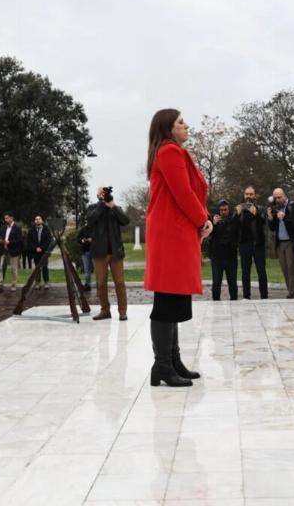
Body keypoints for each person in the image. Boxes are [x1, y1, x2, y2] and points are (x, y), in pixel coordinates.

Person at [144, 108, 210, 387]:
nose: (186, 126)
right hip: (172, 231)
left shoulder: (169, 151)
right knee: (167, 300)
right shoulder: (169, 152)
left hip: (173, 230)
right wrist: (203, 219)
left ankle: (172, 361)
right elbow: (183, 192)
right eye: (181, 122)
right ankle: (162, 365)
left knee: (171, 298)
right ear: (168, 128)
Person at [87, 187, 130, 320]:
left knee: (120, 283)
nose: (104, 195)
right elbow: (91, 219)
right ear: (97, 194)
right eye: (101, 192)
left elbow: (125, 221)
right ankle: (105, 310)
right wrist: (101, 204)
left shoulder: (115, 208)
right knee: (101, 283)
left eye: (105, 193)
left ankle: (122, 311)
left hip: (116, 252)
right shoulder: (92, 207)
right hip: (100, 252)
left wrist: (113, 206)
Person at [236, 186, 268, 299]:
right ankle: (246, 296)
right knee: (245, 272)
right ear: (244, 195)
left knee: (261, 271)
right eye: (247, 194)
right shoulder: (240, 208)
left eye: (251, 194)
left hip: (258, 244)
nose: (248, 196)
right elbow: (234, 226)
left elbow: (264, 221)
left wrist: (256, 214)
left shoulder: (261, 209)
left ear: (255, 196)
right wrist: (237, 214)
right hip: (245, 244)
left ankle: (264, 297)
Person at [268, 188, 294, 298]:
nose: (277, 200)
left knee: (292, 268)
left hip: (290, 241)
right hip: (280, 243)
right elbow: (272, 228)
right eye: (275, 198)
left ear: (284, 196)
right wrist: (271, 218)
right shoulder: (275, 208)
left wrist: (284, 218)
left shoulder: (291, 206)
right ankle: (290, 290)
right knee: (284, 268)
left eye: (279, 197)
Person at [209, 200, 238, 301]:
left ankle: (234, 301)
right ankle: (215, 301)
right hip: (217, 257)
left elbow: (235, 232)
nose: (223, 212)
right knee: (216, 281)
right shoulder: (214, 221)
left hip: (231, 256)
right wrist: (214, 224)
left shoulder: (233, 219)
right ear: (219, 210)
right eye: (221, 210)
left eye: (225, 210)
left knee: (232, 282)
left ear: (228, 210)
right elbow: (210, 236)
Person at [0, 212, 23, 291]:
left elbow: (19, 240)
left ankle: (13, 285)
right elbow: (0, 237)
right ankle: (0, 284)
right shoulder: (3, 227)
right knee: (1, 267)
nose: (5, 220)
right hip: (4, 250)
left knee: (13, 269)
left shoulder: (17, 228)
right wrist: (0, 240)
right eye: (5, 218)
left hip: (14, 251)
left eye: (7, 218)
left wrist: (10, 242)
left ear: (11, 218)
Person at [28, 215, 53, 290]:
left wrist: (42, 248)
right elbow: (29, 241)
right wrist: (36, 248)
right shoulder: (31, 230)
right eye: (36, 219)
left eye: (39, 219)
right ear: (34, 221)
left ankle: (46, 282)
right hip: (35, 252)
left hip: (44, 252)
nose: (37, 220)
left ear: (42, 220)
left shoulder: (47, 230)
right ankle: (37, 282)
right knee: (37, 268)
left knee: (45, 267)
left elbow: (48, 241)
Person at [77, 222, 94, 291]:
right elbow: (78, 239)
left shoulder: (95, 228)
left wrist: (92, 240)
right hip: (85, 252)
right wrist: (82, 240)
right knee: (87, 269)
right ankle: (87, 284)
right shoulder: (83, 229)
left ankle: (100, 285)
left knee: (97, 269)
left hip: (94, 252)